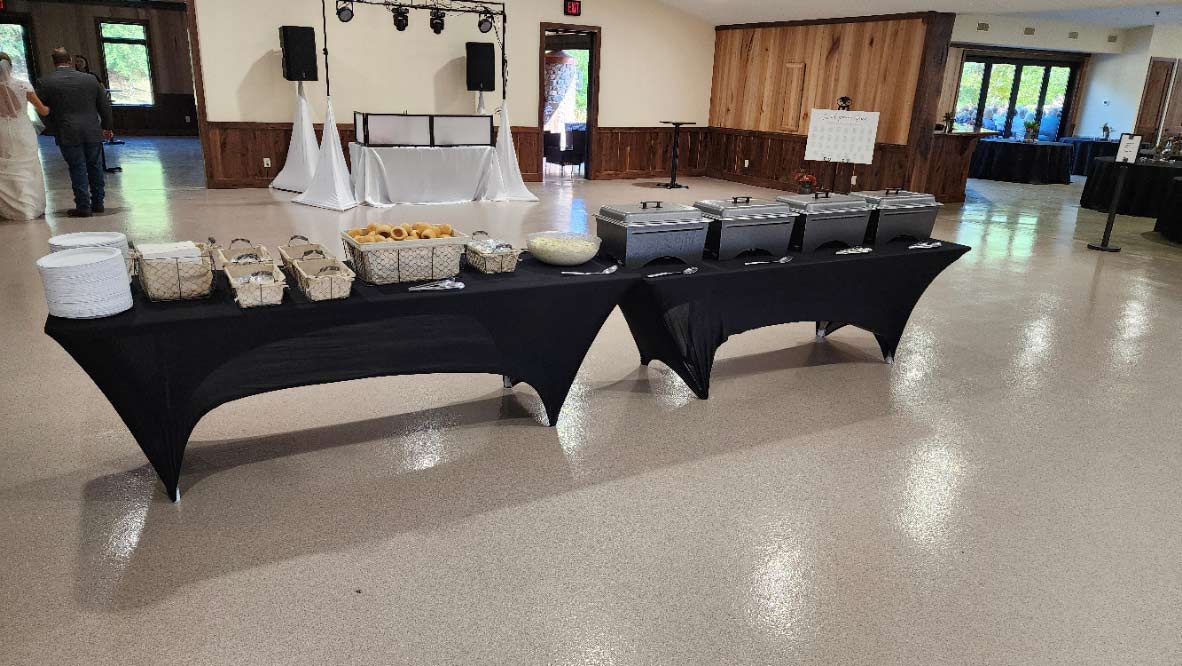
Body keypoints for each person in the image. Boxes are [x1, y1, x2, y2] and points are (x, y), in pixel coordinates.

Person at [36, 47, 113, 218]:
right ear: (70, 60)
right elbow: (104, 106)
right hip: (92, 129)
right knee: (95, 166)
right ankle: (98, 203)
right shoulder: (90, 80)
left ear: (54, 61)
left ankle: (83, 206)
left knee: (77, 167)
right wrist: (107, 126)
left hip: (67, 130)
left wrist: (53, 128)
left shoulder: (46, 82)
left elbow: (42, 110)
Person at [0, 52, 51, 221]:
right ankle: (30, 207)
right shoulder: (22, 85)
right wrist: (50, 109)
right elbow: (42, 110)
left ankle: (11, 210)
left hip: (2, 133)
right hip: (22, 130)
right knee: (29, 168)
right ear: (10, 67)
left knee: (7, 169)